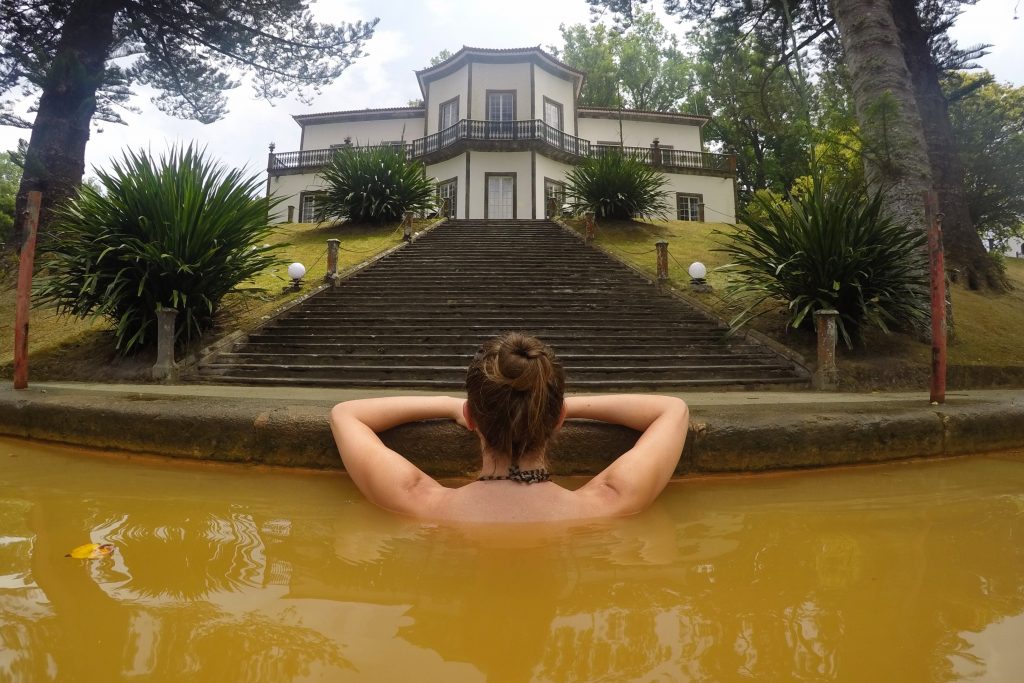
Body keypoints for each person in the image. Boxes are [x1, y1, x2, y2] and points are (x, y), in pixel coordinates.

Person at [329, 332, 689, 522]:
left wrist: (450, 406)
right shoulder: (609, 502)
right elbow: (671, 410)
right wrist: (547, 406)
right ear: (558, 418)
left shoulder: (418, 501)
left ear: (472, 418)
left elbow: (347, 414)